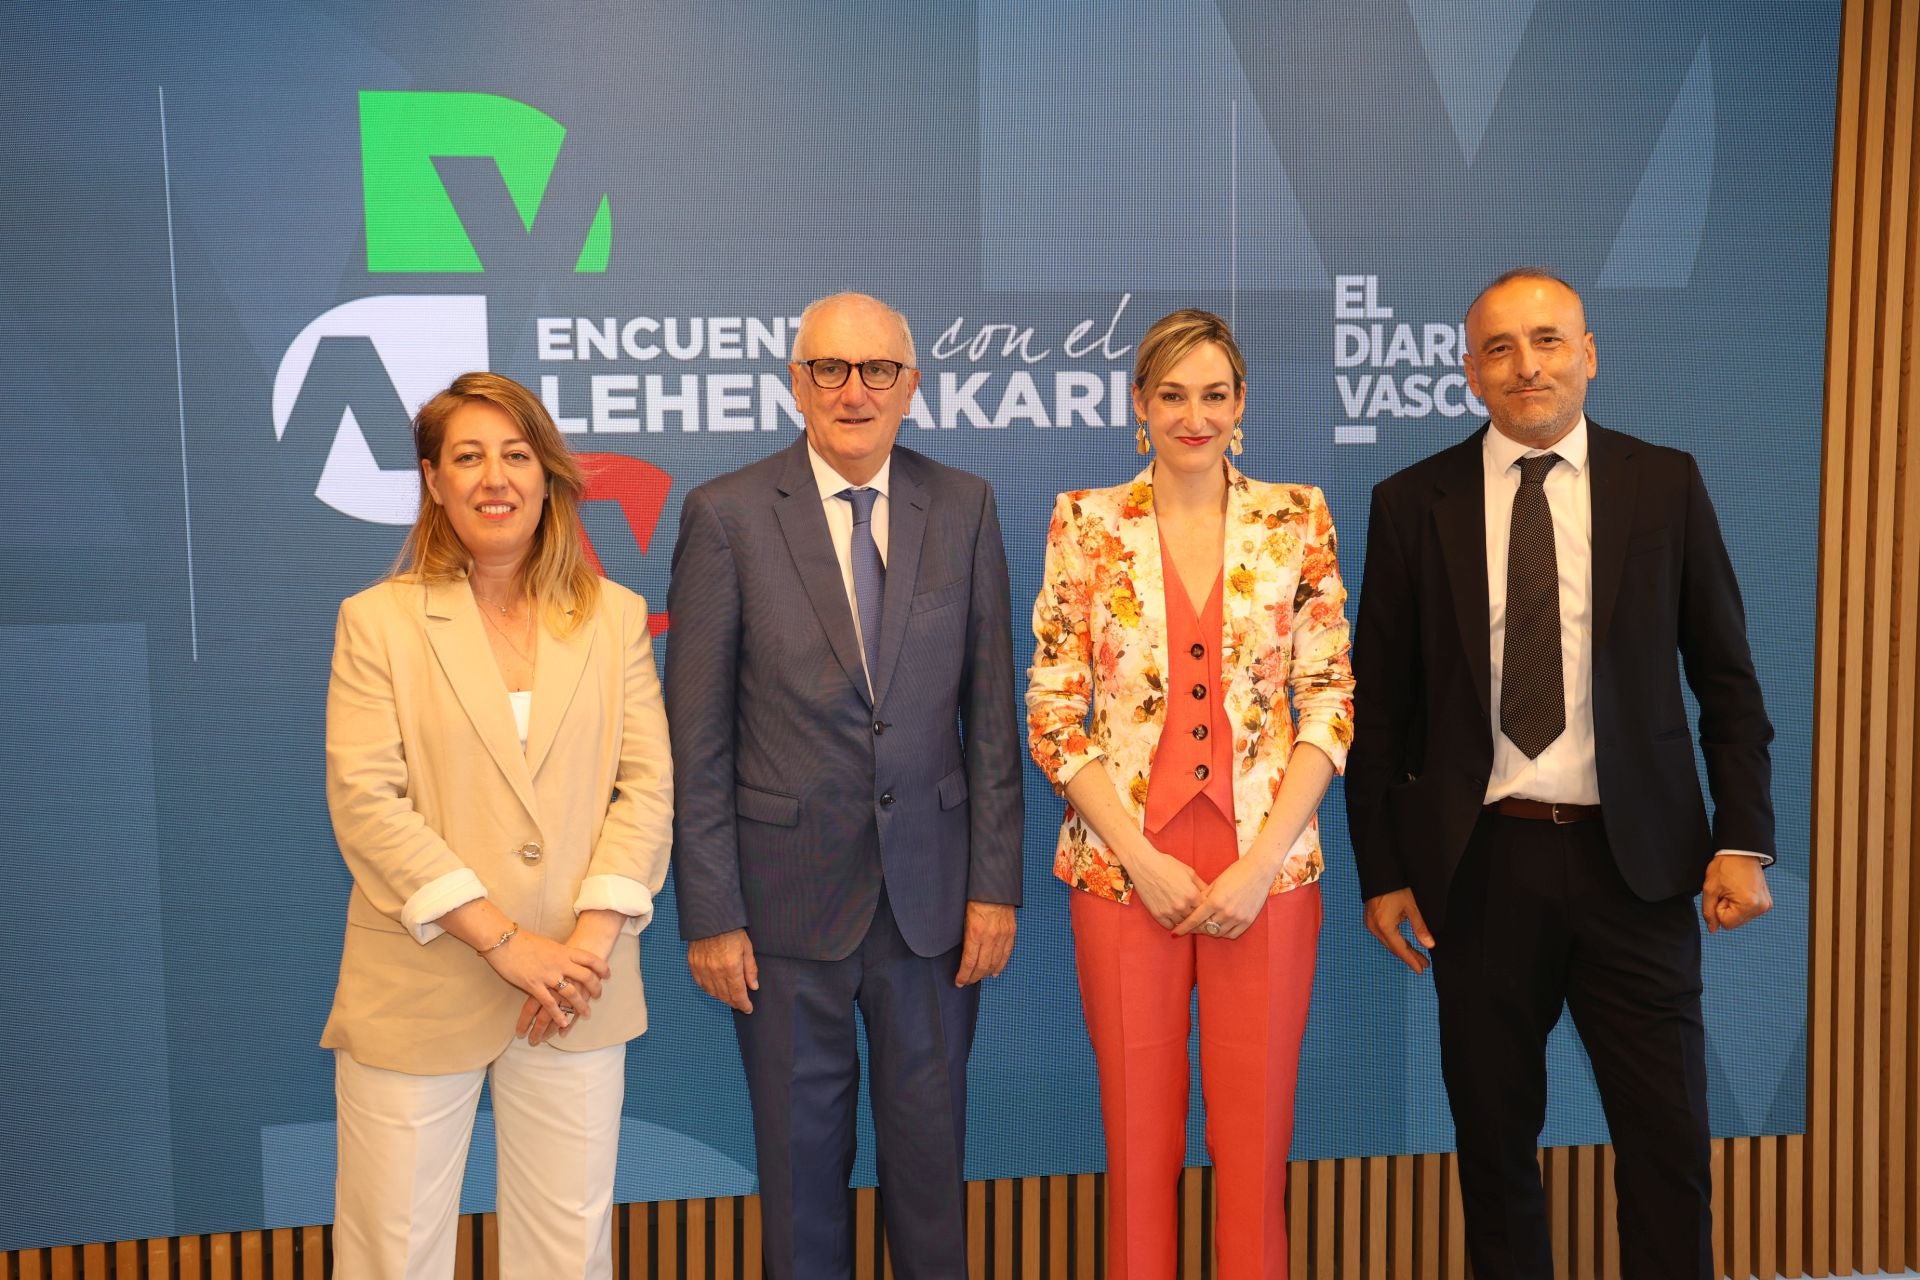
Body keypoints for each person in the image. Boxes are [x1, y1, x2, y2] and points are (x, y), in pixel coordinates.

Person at [1346, 268, 1776, 1279]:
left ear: (1589, 354)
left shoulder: (1665, 482)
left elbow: (1727, 677)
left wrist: (1741, 837)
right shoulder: (1413, 503)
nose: (1525, 364)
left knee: (1666, 1148)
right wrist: (1382, 869)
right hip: (1480, 868)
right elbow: (1383, 709)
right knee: (1495, 1153)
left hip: (1642, 868)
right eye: (1499, 348)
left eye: (1547, 341)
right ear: (1469, 373)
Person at [663, 292, 1023, 1280]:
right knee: (800, 1188)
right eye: (829, 368)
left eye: (876, 370)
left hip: (933, 912)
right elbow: (694, 741)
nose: (852, 390)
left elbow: (992, 718)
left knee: (932, 1183)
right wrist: (711, 912)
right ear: (795, 382)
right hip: (781, 916)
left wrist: (995, 882)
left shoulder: (967, 505)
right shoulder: (726, 515)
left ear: (912, 384)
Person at [321, 371, 673, 1279]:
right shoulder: (377, 622)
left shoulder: (614, 618)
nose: (495, 478)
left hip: (576, 990)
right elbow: (366, 801)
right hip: (424, 979)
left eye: (516, 455)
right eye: (468, 457)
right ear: (433, 480)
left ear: (548, 474)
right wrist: (507, 943)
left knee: (568, 1254)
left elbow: (646, 791)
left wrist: (584, 948)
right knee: (391, 1255)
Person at [1027, 308, 1355, 1279]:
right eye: (1171, 393)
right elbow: (1055, 708)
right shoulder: (1085, 523)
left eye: (1214, 393)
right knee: (1137, 1142)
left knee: (1256, 1145)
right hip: (1126, 869)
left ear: (1242, 403)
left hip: (1269, 872)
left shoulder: (1298, 518)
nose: (1193, 414)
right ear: (1139, 404)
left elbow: (1328, 697)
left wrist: (1261, 866)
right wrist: (1138, 856)